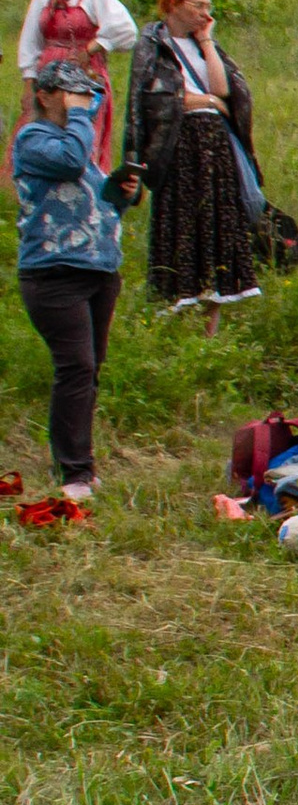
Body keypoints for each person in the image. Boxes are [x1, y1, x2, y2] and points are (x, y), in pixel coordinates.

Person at [13, 54, 129, 504]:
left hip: (98, 269)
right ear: (45, 96)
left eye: (88, 93)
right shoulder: (34, 139)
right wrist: (82, 116)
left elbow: (91, 202)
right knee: (76, 367)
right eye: (73, 92)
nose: (84, 101)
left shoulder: (78, 144)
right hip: (53, 274)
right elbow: (69, 162)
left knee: (89, 369)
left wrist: (119, 195)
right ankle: (74, 473)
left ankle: (80, 464)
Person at [127, 0, 261, 319]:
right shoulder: (152, 44)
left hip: (215, 150)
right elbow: (156, 99)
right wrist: (209, 102)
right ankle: (175, 318)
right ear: (174, 4)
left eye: (208, 7)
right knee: (181, 228)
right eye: (198, 6)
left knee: (217, 228)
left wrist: (206, 42)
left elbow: (224, 88)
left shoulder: (204, 45)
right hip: (178, 147)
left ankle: (210, 328)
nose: (205, 13)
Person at [16, 0, 137, 167]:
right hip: (48, 76)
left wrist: (92, 48)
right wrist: (29, 82)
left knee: (80, 133)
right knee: (44, 133)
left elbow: (126, 30)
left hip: (84, 75)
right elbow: (31, 41)